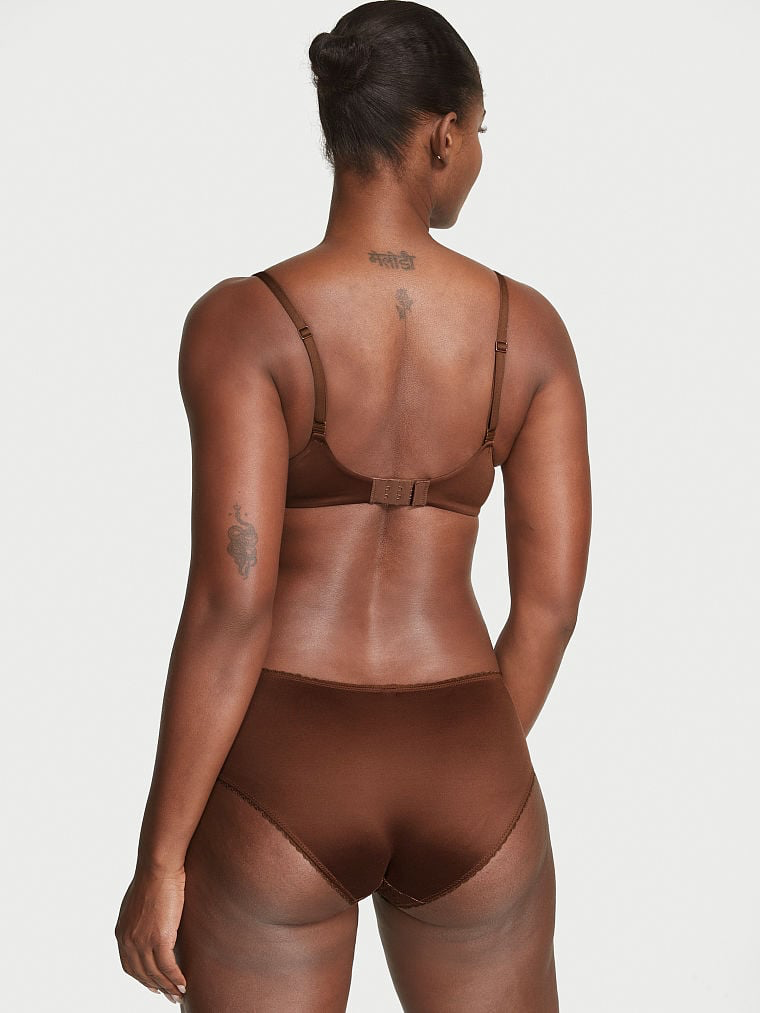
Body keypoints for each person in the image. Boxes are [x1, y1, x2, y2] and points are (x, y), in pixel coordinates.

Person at [114, 2, 591, 1009]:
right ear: (444, 133)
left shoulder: (243, 323)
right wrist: (462, 758)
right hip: (469, 757)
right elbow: (549, 609)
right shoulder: (532, 333)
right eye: (481, 132)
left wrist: (161, 856)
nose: (477, 157)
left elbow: (230, 605)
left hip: (285, 762)